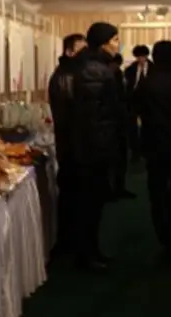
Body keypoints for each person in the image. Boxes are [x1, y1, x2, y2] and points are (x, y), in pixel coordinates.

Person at [69, 21, 123, 272]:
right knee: (90, 205)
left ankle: (91, 252)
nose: (118, 44)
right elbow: (94, 116)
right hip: (93, 149)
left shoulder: (93, 66)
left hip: (92, 146)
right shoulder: (95, 70)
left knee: (92, 205)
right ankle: (87, 256)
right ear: (103, 43)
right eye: (115, 40)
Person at [138, 42, 171, 264]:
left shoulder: (147, 83)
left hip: (155, 148)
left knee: (157, 195)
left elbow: (135, 109)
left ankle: (164, 237)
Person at [47, 33, 86, 257]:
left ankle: (70, 244)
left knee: (74, 197)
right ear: (69, 52)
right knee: (72, 197)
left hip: (72, 146)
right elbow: (70, 117)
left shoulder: (69, 74)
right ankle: (69, 246)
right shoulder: (64, 77)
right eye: (80, 50)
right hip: (71, 147)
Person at [109, 53, 135, 200]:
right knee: (118, 159)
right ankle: (117, 189)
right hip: (117, 122)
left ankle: (114, 189)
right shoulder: (115, 74)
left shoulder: (111, 73)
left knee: (114, 160)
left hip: (112, 123)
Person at [123, 45, 151, 160]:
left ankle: (146, 148)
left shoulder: (153, 68)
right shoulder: (131, 69)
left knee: (147, 125)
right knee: (132, 126)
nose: (141, 59)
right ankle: (135, 150)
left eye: (143, 56)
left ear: (146, 56)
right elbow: (128, 85)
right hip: (133, 100)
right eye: (138, 57)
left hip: (148, 101)